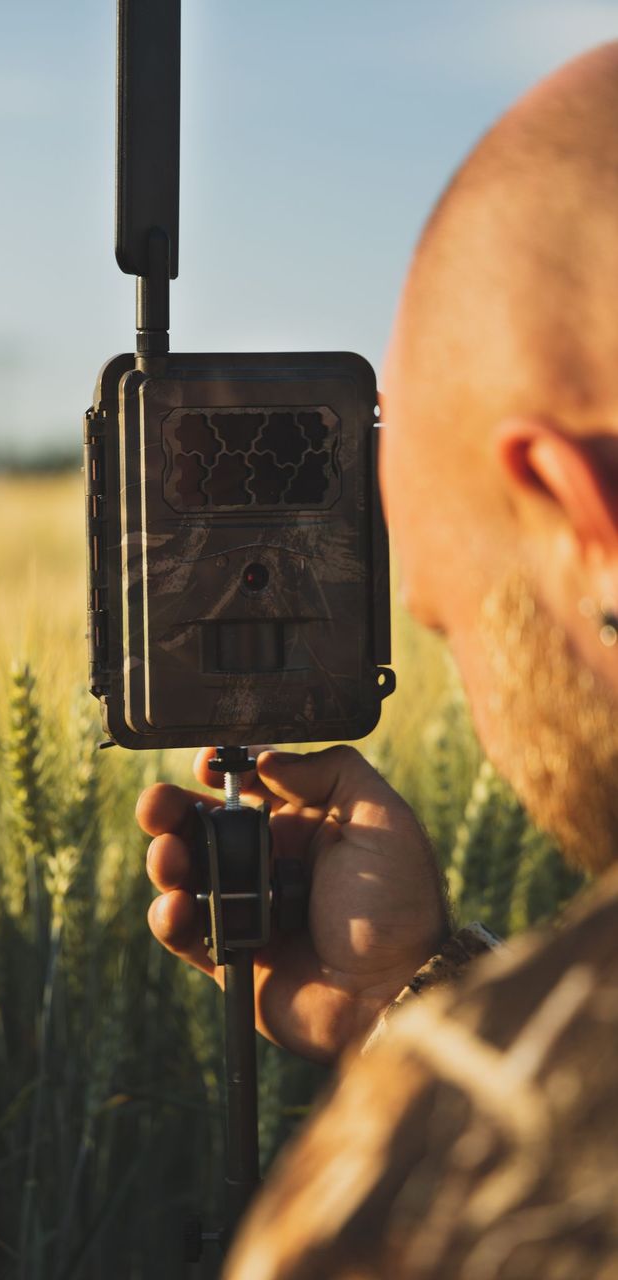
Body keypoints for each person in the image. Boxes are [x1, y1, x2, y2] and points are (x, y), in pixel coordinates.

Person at [136, 40, 618, 1279]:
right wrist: (401, 992)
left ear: (583, 518)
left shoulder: (453, 1206)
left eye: (450, 618)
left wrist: (443, 1101)